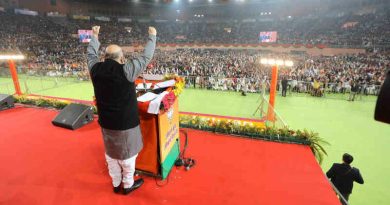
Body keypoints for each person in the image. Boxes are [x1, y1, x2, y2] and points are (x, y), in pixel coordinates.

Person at [87, 25, 157, 194]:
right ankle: (127, 185)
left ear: (104, 57)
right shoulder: (127, 69)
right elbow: (146, 56)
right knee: (127, 157)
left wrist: (94, 36)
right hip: (126, 123)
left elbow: (90, 54)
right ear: (122, 58)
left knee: (111, 155)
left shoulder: (95, 69)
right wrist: (152, 36)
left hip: (106, 123)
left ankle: (116, 183)